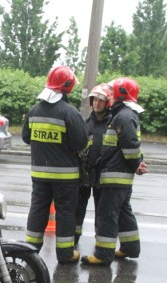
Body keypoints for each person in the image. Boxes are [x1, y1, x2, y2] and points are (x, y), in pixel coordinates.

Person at [22, 65, 89, 263]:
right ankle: (65, 254)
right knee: (66, 213)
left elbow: (27, 138)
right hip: (65, 177)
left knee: (37, 210)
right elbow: (81, 143)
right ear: (67, 87)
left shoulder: (34, 110)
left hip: (40, 175)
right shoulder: (69, 112)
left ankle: (29, 250)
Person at [81, 77, 148, 266]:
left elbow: (130, 145)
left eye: (112, 92)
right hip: (120, 177)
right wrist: (137, 163)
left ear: (120, 94)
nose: (109, 95)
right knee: (123, 212)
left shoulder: (123, 116)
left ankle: (103, 254)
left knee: (107, 215)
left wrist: (136, 163)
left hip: (114, 176)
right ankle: (130, 247)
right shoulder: (123, 114)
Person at [74, 83, 113, 245]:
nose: (97, 104)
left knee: (102, 210)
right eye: (94, 100)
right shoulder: (86, 123)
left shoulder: (112, 124)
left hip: (102, 174)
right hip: (85, 173)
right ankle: (74, 236)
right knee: (78, 207)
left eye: (100, 101)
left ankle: (101, 240)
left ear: (107, 103)